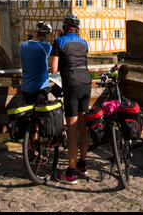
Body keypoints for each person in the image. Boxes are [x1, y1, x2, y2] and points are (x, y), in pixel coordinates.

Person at [50, 14, 91, 185]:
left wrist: (57, 40)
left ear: (65, 27)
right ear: (77, 28)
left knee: (72, 129)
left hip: (72, 84)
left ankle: (71, 172)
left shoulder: (60, 42)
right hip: (86, 83)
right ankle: (82, 164)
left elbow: (53, 69)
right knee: (82, 125)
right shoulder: (84, 43)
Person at [19, 21, 52, 106]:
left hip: (25, 87)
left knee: (28, 114)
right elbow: (55, 59)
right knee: (41, 115)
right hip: (39, 88)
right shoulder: (45, 47)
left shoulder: (22, 46)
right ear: (45, 35)